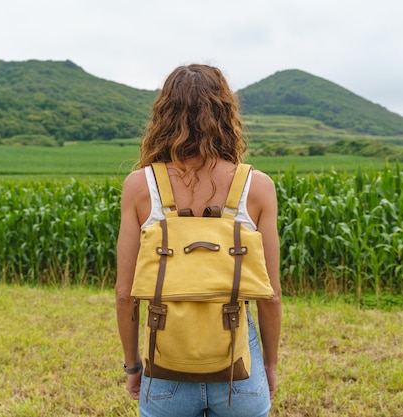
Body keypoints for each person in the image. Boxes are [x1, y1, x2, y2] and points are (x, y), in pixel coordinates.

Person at [115, 64, 282, 417]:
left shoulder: (139, 187)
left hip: (165, 367)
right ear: (226, 113)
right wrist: (269, 364)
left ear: (164, 115)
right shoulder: (258, 187)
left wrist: (133, 367)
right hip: (240, 367)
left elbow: (125, 294)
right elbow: (271, 295)